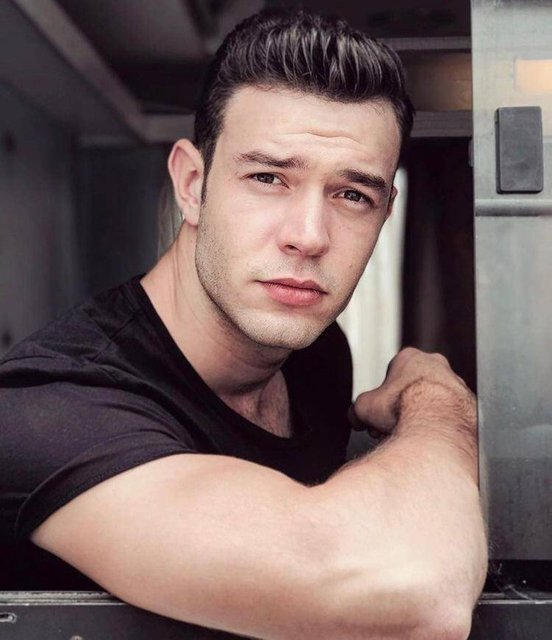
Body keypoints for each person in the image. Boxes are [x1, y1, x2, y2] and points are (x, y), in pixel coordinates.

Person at [0, 9, 487, 640]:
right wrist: (438, 402)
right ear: (192, 184)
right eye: (268, 178)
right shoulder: (53, 408)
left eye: (352, 195)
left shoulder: (315, 357)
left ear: (385, 210)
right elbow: (417, 591)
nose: (308, 236)